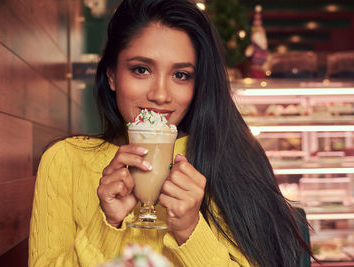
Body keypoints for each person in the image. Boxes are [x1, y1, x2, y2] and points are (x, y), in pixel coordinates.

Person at [29, 0, 313, 266]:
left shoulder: (230, 162)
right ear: (112, 75)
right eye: (141, 69)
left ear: (198, 84)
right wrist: (109, 225)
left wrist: (191, 230)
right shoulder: (65, 162)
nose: (160, 94)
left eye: (181, 75)